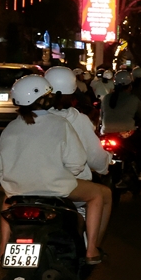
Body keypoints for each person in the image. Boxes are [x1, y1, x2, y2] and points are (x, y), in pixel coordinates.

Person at [0, 75, 110, 267]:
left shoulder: (11, 127)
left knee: (8, 201)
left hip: (18, 190)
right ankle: (91, 250)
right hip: (56, 188)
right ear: (46, 99)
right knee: (97, 194)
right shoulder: (60, 124)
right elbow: (77, 164)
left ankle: (3, 248)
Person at [42, 66, 113, 248]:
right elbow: (94, 158)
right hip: (62, 184)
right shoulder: (75, 119)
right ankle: (92, 248)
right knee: (103, 195)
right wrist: (105, 165)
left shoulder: (28, 118)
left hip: (26, 183)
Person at [100, 71, 141, 181]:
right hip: (125, 134)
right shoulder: (133, 99)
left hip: (106, 133)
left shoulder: (106, 98)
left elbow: (102, 116)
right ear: (130, 85)